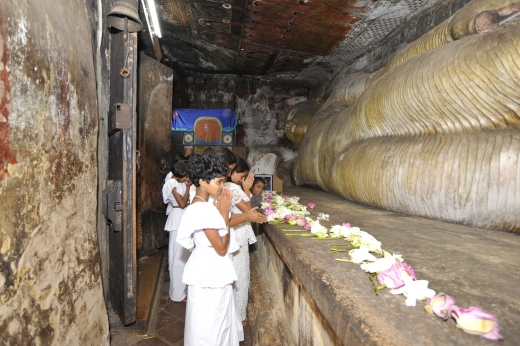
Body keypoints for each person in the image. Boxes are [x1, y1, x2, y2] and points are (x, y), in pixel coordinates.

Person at [176, 154, 243, 345]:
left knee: (215, 319)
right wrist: (223, 212)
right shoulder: (202, 209)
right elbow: (222, 247)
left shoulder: (203, 205)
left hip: (209, 265)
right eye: (219, 181)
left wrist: (220, 211)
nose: (223, 186)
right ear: (202, 182)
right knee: (211, 323)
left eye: (224, 181)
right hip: (210, 268)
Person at [226, 158, 257, 326]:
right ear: (233, 173)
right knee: (240, 272)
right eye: (242, 176)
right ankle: (239, 314)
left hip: (235, 230)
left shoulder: (231, 186)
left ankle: (235, 312)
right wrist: (246, 189)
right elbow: (249, 210)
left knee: (236, 271)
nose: (242, 179)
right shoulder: (233, 187)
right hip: (237, 232)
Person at [162, 160, 192, 302]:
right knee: (177, 259)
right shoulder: (171, 183)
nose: (187, 179)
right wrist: (188, 187)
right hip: (177, 220)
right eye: (185, 176)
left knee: (182, 257)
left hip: (183, 218)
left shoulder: (179, 182)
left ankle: (181, 291)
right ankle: (177, 295)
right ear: (177, 176)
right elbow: (181, 204)